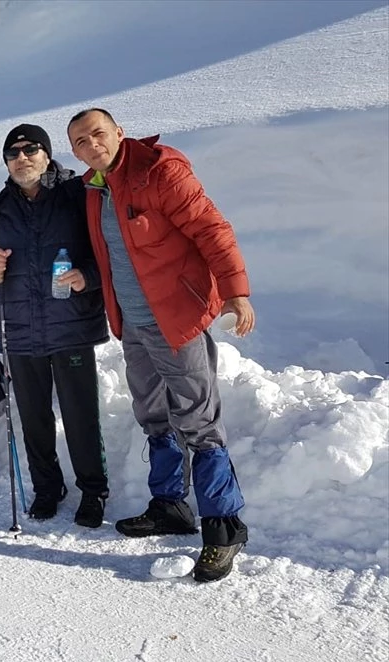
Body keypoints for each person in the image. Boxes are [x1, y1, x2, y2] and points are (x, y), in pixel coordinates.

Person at [66, 108, 254, 582]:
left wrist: (236, 291)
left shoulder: (159, 170)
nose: (92, 146)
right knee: (152, 413)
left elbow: (211, 228)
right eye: (81, 142)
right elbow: (109, 255)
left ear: (119, 132)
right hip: (132, 323)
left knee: (198, 418)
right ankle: (169, 505)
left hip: (177, 319)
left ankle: (223, 528)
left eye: (98, 134)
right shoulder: (93, 188)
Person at [0, 124, 110, 527]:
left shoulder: (76, 196)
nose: (22, 157)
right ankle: (48, 488)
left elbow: (106, 247)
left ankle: (93, 490)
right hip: (21, 327)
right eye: (13, 153)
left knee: (81, 415)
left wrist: (88, 275)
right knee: (33, 417)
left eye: (31, 149)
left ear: (47, 155)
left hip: (72, 325)